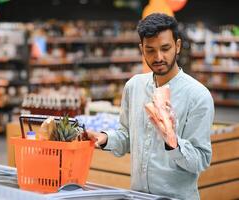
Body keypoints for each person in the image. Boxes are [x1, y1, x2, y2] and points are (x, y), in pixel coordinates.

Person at [87, 13, 214, 200]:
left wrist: (173, 143)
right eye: (150, 50)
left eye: (165, 48)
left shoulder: (198, 96)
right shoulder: (134, 86)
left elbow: (201, 160)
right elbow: (126, 137)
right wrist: (105, 138)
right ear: (141, 49)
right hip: (137, 196)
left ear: (177, 46)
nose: (158, 57)